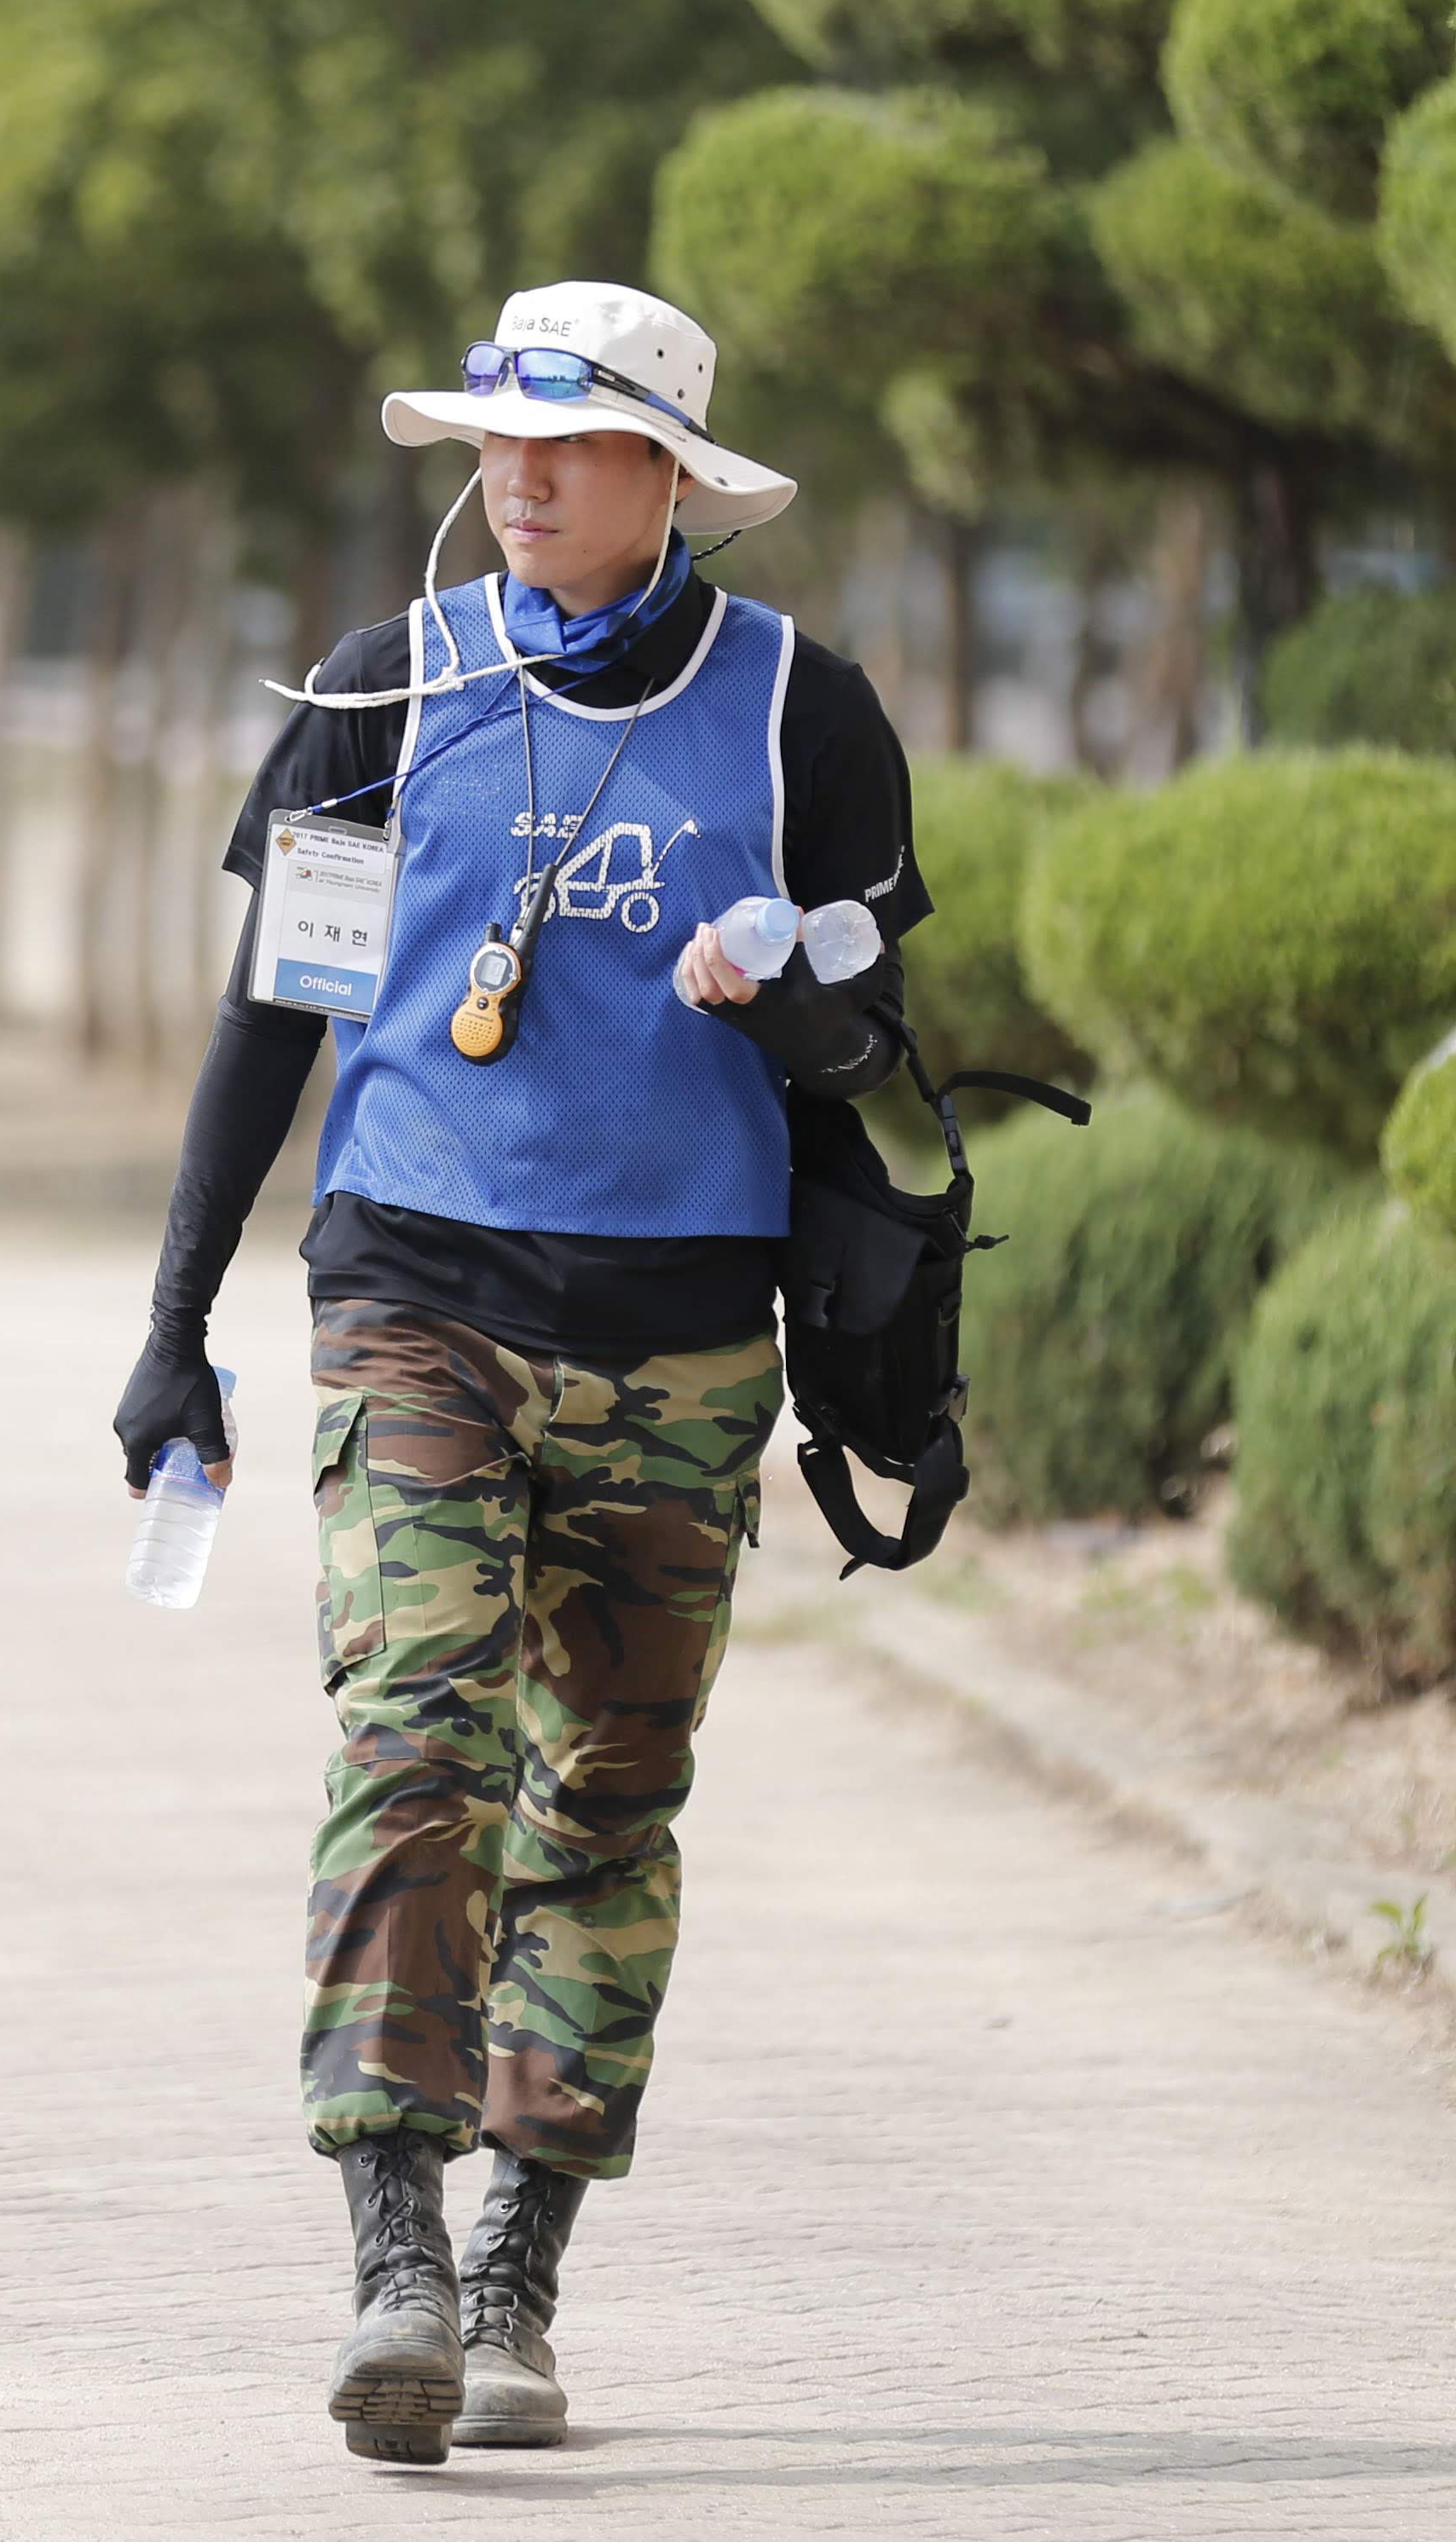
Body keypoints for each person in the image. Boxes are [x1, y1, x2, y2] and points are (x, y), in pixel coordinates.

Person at [112, 282, 930, 2466]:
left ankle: (516, 2281)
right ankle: (389, 2243)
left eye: (570, 444)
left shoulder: (802, 718)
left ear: (674, 478)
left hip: (683, 1333)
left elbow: (870, 1050)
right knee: (416, 1740)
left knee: (608, 1801)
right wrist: (177, 1323)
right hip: (417, 1291)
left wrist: (779, 998)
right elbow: (271, 1022)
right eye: (498, 437)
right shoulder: (385, 690)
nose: (522, 474)